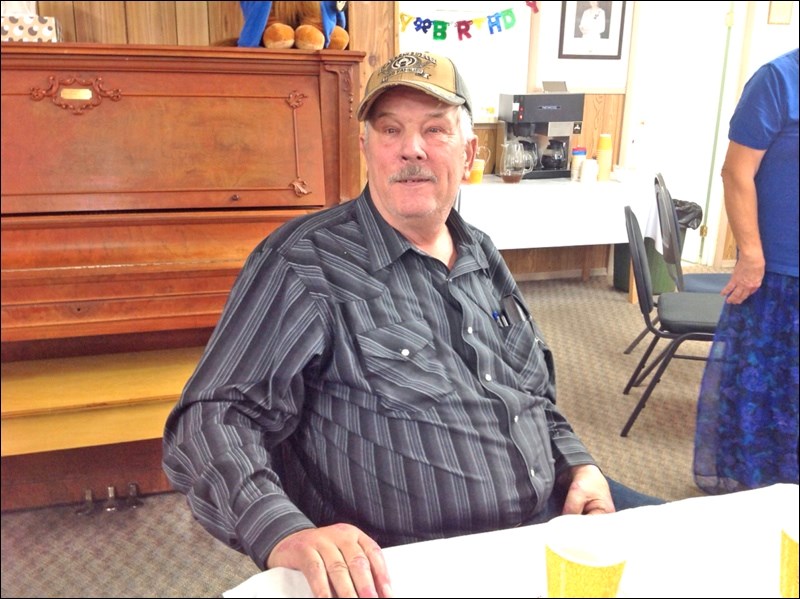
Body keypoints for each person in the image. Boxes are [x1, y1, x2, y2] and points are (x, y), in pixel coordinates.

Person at [162, 51, 662, 598]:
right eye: (391, 129)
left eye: (435, 129)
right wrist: (280, 529)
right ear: (367, 148)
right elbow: (211, 417)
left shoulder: (481, 252)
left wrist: (579, 465)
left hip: (551, 516)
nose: (412, 148)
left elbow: (529, 393)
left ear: (469, 150)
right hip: (412, 563)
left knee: (702, 553)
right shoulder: (305, 263)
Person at [694, 48, 799, 495]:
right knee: (770, 398)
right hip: (778, 275)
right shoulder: (778, 79)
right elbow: (736, 172)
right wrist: (751, 255)